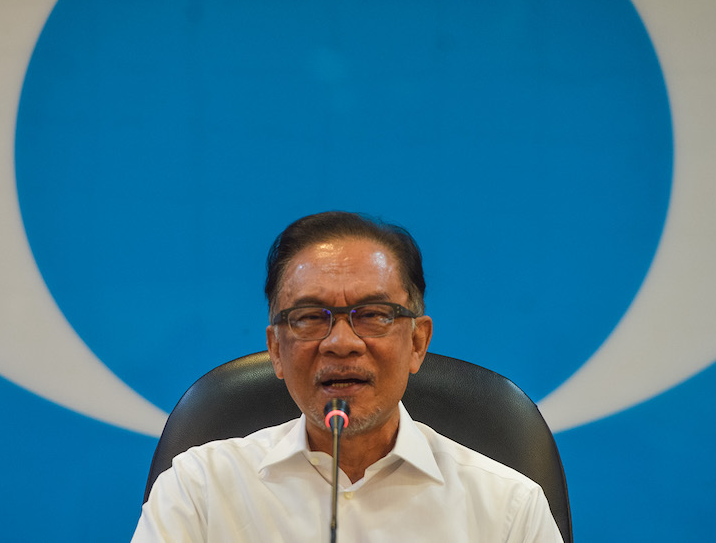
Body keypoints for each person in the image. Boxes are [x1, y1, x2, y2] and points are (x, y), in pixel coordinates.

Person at [132, 211, 563, 542]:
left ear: (416, 343)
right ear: (276, 350)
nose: (341, 342)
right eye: (309, 317)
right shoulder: (199, 490)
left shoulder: (507, 508)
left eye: (374, 315)